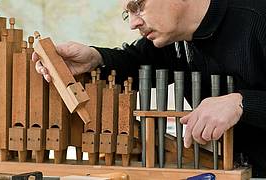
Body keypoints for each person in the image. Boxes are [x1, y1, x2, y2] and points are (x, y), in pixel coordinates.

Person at [32, 0, 266, 177]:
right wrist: (95, 57)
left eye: (139, 6)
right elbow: (135, 62)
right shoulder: (173, 39)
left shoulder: (258, 16)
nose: (133, 23)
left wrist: (242, 103)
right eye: (128, 13)